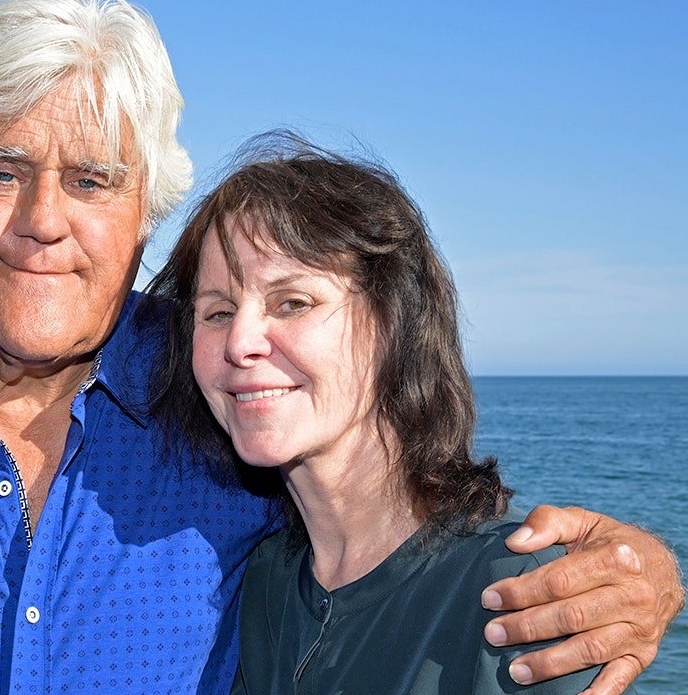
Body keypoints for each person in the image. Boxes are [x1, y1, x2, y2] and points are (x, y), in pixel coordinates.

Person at [0, 0, 682, 695]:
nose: (42, 220)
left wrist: (639, 573)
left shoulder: (220, 383)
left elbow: (395, 535)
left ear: (143, 218)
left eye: (91, 180)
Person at [147, 133, 644, 693]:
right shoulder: (267, 583)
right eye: (217, 312)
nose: (241, 343)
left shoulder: (518, 595)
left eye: (293, 302)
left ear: (394, 323)